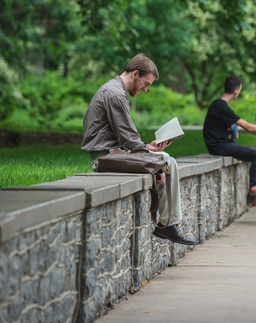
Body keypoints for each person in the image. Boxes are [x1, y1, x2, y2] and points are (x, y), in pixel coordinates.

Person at [81, 53, 195, 245]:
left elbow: (127, 138)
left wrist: (148, 150)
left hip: (114, 153)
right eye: (146, 83)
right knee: (167, 161)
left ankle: (167, 223)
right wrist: (148, 151)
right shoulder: (115, 93)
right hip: (104, 157)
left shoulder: (114, 89)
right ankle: (167, 225)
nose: (146, 89)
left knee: (163, 160)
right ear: (135, 73)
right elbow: (128, 137)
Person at [203, 76, 256, 206]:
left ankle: (254, 191)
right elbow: (248, 126)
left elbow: (227, 125)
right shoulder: (221, 106)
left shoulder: (218, 105)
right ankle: (253, 192)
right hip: (218, 146)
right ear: (236, 92)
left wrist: (233, 128)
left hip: (224, 142)